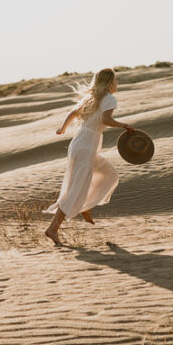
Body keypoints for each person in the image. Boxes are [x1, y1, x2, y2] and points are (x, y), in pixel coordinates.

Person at [44, 68, 135, 245]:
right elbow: (106, 120)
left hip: (81, 143)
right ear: (109, 83)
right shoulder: (109, 99)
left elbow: (73, 113)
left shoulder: (93, 98)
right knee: (75, 189)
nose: (117, 84)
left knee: (110, 174)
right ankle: (52, 229)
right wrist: (124, 125)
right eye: (116, 80)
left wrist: (63, 128)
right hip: (86, 146)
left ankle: (86, 206)